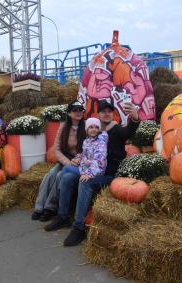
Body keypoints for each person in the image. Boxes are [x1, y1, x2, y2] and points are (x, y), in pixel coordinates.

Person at [45, 100, 140, 246]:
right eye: (103, 111)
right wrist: (79, 158)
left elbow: (129, 132)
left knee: (85, 182)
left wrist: (134, 118)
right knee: (67, 176)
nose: (107, 114)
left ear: (112, 114)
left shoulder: (116, 129)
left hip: (108, 174)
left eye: (109, 111)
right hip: (90, 169)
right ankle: (62, 215)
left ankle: (79, 227)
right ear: (98, 115)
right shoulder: (92, 130)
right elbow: (86, 151)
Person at [31, 101, 86, 222]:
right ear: (69, 113)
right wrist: (67, 162)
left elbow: (90, 148)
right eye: (75, 110)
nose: (78, 112)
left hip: (80, 161)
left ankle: (49, 208)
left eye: (80, 110)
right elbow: (56, 148)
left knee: (60, 176)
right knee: (50, 175)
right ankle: (39, 207)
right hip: (65, 159)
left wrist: (79, 159)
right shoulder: (63, 126)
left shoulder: (87, 127)